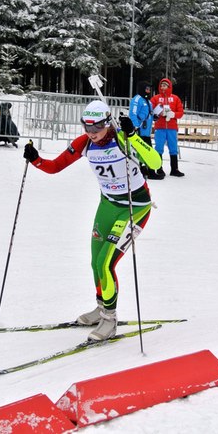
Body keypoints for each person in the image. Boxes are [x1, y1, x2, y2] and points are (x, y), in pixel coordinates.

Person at [22, 100, 162, 341]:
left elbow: (156, 164)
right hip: (108, 205)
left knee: (106, 264)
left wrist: (134, 136)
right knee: (95, 263)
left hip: (134, 207)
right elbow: (56, 166)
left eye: (96, 128)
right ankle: (100, 307)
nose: (92, 134)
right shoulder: (85, 143)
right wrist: (36, 159)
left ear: (107, 123)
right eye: (87, 128)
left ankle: (109, 319)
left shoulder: (123, 138)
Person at [150, 78, 185, 177]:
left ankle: (174, 169)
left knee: (173, 148)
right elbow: (151, 111)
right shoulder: (155, 98)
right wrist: (156, 115)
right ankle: (159, 168)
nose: (163, 87)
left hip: (172, 127)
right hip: (160, 127)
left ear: (169, 86)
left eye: (165, 85)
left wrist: (173, 114)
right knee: (159, 148)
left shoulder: (175, 98)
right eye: (161, 85)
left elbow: (181, 112)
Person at [129, 81, 163, 180]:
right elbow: (133, 114)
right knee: (140, 151)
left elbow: (150, 114)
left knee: (148, 151)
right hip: (140, 131)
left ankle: (150, 171)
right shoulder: (137, 100)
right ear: (142, 89)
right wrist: (135, 127)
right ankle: (142, 171)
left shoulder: (148, 101)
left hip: (146, 132)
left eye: (149, 89)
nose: (148, 90)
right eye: (147, 89)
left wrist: (155, 117)